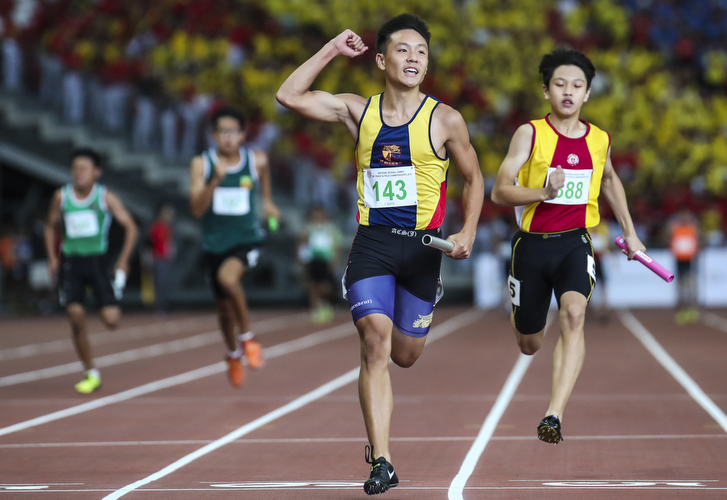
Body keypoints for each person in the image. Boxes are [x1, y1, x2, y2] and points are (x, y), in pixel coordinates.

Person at [277, 14, 484, 495]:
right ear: (380, 59)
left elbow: (474, 179)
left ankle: (411, 322)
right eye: (404, 50)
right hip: (372, 243)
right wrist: (330, 49)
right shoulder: (358, 111)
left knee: (406, 354)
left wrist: (469, 230)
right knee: (375, 343)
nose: (413, 58)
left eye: (421, 53)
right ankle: (382, 460)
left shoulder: (445, 119)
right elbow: (288, 96)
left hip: (423, 250)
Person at [491, 48, 646, 445]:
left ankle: (554, 414)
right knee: (529, 343)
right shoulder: (530, 134)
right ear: (546, 91)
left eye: (577, 85)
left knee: (575, 316)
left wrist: (630, 231)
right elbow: (500, 191)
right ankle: (523, 320)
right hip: (530, 247)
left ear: (587, 94)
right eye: (560, 84)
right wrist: (544, 190)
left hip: (576, 243)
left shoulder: (599, 139)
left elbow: (609, 179)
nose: (568, 91)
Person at [189, 105, 280, 388]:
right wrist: (215, 180)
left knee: (228, 279)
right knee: (224, 310)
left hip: (246, 239)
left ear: (242, 135)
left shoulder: (256, 160)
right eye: (222, 132)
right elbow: (196, 209)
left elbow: (264, 177)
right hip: (214, 243)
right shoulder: (202, 164)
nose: (228, 137)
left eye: (234, 132)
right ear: (214, 135)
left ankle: (248, 339)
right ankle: (232, 354)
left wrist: (267, 201)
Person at [44, 148, 139, 394]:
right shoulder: (61, 197)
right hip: (72, 263)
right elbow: (50, 227)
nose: (79, 173)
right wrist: (53, 258)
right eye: (75, 168)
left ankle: (113, 289)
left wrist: (124, 260)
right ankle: (90, 372)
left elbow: (131, 227)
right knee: (75, 316)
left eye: (84, 168)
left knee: (111, 321)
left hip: (97, 263)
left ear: (96, 172)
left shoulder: (105, 197)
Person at [297, 205, 342, 324]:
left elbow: (336, 245)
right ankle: (316, 309)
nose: (317, 217)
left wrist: (335, 259)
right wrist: (302, 258)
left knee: (326, 286)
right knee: (312, 284)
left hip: (326, 260)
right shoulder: (308, 227)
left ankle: (325, 304)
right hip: (312, 259)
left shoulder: (330, 228)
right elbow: (302, 243)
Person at [669, 205, 700, 324]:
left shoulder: (693, 228)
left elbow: (698, 240)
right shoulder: (675, 227)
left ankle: (692, 310)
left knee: (691, 286)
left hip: (691, 261)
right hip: (679, 260)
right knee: (681, 286)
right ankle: (681, 311)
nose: (684, 217)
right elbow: (670, 240)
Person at [148, 202, 175, 314]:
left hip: (167, 258)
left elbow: (169, 242)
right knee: (160, 282)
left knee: (165, 283)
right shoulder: (156, 226)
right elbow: (149, 241)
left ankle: (164, 305)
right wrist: (149, 254)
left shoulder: (168, 227)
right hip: (158, 257)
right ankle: (159, 307)